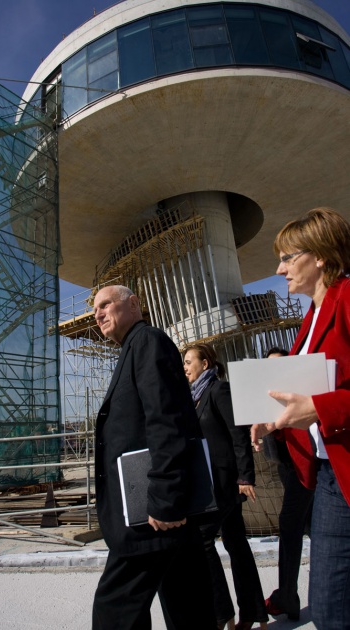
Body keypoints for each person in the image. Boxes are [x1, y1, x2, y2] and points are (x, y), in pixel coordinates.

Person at [92, 285, 218, 630]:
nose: (98, 313)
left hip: (152, 511)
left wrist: (164, 498)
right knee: (187, 602)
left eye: (106, 304)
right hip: (161, 507)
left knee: (115, 608)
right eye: (95, 309)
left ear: (133, 304)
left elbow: (166, 420)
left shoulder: (147, 341)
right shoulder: (134, 348)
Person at [251, 207, 350, 630]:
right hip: (328, 475)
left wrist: (320, 408)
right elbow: (300, 389)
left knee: (332, 608)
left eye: (289, 257)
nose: (279, 268)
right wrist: (271, 416)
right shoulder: (309, 320)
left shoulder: (347, 300)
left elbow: (319, 399)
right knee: (329, 608)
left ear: (321, 256)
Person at [183, 343, 268, 630]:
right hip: (211, 484)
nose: (184, 367)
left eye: (188, 361)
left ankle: (223, 616)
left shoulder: (218, 390)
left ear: (205, 364)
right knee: (236, 544)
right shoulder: (194, 398)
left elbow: (239, 433)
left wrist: (245, 477)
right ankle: (252, 613)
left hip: (226, 483)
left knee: (205, 541)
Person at [262, 347, 314, 621]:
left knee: (290, 524)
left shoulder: (299, 395)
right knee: (311, 525)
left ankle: (287, 596)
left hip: (306, 465)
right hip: (286, 466)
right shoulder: (268, 396)